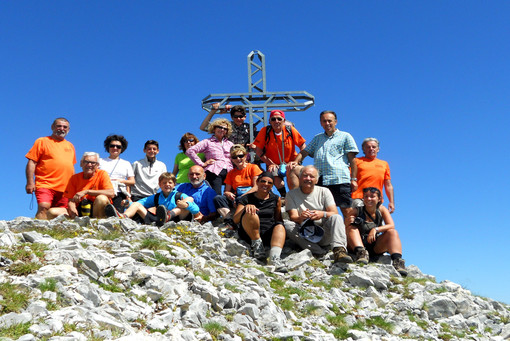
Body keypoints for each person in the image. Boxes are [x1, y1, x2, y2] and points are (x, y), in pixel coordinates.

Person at [288, 110, 359, 216]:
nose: (327, 124)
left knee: (347, 211)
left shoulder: (345, 136)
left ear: (336, 122)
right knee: (321, 210)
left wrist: (353, 179)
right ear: (321, 123)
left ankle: (349, 232)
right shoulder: (317, 138)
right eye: (324, 121)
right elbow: (305, 151)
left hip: (338, 179)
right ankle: (297, 198)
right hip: (320, 180)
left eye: (329, 121)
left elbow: (352, 160)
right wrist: (295, 161)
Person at [284, 166, 352, 263]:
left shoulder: (324, 191)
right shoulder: (291, 194)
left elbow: (334, 212)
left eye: (311, 176)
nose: (308, 179)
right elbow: (293, 217)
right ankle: (319, 252)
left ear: (316, 180)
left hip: (324, 231)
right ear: (299, 178)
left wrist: (322, 214)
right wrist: (301, 217)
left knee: (336, 217)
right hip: (305, 233)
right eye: (305, 176)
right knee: (287, 225)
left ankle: (339, 250)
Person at [345, 187, 407, 276]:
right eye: (366, 196)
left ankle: (398, 262)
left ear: (379, 199)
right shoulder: (356, 211)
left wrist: (375, 229)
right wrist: (348, 222)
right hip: (355, 244)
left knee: (392, 232)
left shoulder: (381, 210)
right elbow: (344, 229)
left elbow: (391, 225)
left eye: (372, 196)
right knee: (351, 228)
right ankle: (361, 253)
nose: (368, 199)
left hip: (374, 245)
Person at [233, 172, 287, 273]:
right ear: (257, 182)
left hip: (267, 233)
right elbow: (235, 219)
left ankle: (274, 258)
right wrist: (246, 207)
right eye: (263, 181)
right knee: (252, 213)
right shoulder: (246, 198)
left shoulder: (275, 199)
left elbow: (278, 218)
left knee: (280, 226)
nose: (266, 184)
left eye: (269, 183)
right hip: (249, 233)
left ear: (272, 186)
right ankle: (257, 246)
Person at [25, 117, 76, 219]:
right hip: (45, 183)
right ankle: (39, 231)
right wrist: (30, 182)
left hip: (65, 187)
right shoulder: (42, 141)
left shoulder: (70, 146)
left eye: (65, 127)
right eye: (59, 126)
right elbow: (32, 162)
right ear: (52, 127)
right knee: (44, 206)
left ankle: (55, 233)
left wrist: (74, 186)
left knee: (62, 211)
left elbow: (71, 166)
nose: (62, 129)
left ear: (68, 130)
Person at [106, 172, 200, 227]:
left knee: (182, 205)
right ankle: (122, 217)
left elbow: (196, 210)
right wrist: (128, 203)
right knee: (136, 204)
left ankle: (168, 216)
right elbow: (139, 203)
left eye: (170, 182)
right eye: (164, 183)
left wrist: (186, 205)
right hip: (160, 221)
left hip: (178, 221)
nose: (167, 184)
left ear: (174, 185)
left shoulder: (179, 195)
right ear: (160, 185)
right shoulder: (156, 197)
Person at [253, 110, 306, 198]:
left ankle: (295, 198)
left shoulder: (290, 130)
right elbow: (259, 151)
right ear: (270, 121)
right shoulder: (265, 131)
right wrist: (270, 163)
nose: (276, 121)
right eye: (273, 119)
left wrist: (296, 161)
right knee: (273, 174)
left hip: (290, 162)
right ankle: (284, 196)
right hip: (274, 163)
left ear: (284, 121)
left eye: (279, 119)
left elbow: (303, 147)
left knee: (291, 177)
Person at [47, 152, 114, 219]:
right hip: (79, 210)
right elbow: (71, 200)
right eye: (86, 162)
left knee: (101, 198)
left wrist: (87, 191)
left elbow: (111, 193)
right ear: (81, 163)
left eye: (93, 163)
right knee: (52, 212)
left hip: (97, 209)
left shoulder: (102, 174)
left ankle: (97, 224)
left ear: (97, 165)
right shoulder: (74, 178)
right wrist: (73, 211)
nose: (89, 165)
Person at [213, 145, 262, 226]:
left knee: (240, 199)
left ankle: (240, 220)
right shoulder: (231, 173)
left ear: (246, 156)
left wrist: (243, 196)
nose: (238, 159)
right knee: (218, 198)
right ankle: (229, 220)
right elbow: (226, 191)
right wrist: (228, 194)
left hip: (251, 195)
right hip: (237, 197)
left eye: (240, 156)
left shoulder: (253, 167)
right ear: (231, 159)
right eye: (234, 157)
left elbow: (256, 187)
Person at [186, 118, 234, 195]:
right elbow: (190, 151)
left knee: (231, 194)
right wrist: (202, 164)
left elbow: (238, 155)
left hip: (229, 171)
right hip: (214, 171)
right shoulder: (207, 142)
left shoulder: (230, 144)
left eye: (225, 128)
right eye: (220, 127)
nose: (222, 130)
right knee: (216, 195)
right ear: (214, 128)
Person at [352, 138, 395, 213]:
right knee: (361, 221)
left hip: (376, 199)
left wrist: (391, 202)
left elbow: (388, 184)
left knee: (379, 223)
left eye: (374, 147)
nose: (371, 149)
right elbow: (349, 179)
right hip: (359, 198)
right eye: (368, 147)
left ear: (378, 149)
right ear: (363, 149)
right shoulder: (356, 161)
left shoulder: (384, 164)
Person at [99, 134, 135, 213]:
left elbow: (132, 181)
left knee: (116, 215)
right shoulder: (100, 161)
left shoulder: (126, 163)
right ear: (108, 147)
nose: (115, 148)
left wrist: (120, 181)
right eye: (112, 146)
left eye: (118, 146)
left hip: (119, 193)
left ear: (122, 149)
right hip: (103, 190)